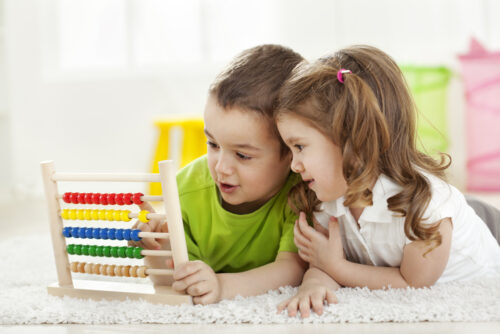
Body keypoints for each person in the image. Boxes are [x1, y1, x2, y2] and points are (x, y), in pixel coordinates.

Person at [274, 45, 500, 317]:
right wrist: (314, 283)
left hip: (480, 247)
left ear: (352, 143)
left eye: (299, 147)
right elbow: (321, 264)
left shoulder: (426, 207)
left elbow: (413, 283)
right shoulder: (326, 198)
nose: (293, 165)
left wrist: (337, 267)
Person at [131, 44, 307, 304]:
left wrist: (222, 286)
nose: (221, 167)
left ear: (291, 154)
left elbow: (292, 270)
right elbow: (171, 282)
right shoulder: (185, 190)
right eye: (213, 144)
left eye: (243, 155)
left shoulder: (302, 193)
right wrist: (158, 246)